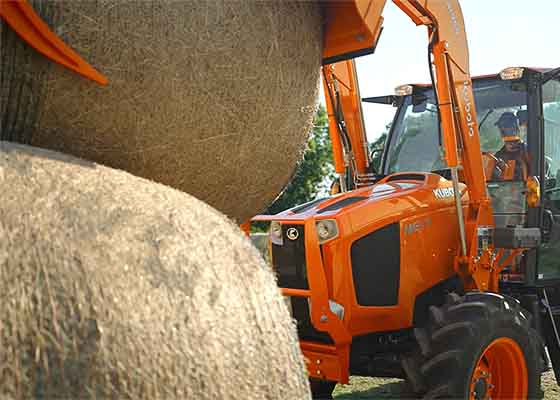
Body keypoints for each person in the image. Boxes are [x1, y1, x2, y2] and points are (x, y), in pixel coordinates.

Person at [491, 112, 529, 181]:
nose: (502, 130)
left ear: (516, 129)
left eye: (506, 126)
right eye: (500, 127)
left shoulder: (529, 152)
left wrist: (507, 170)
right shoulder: (497, 157)